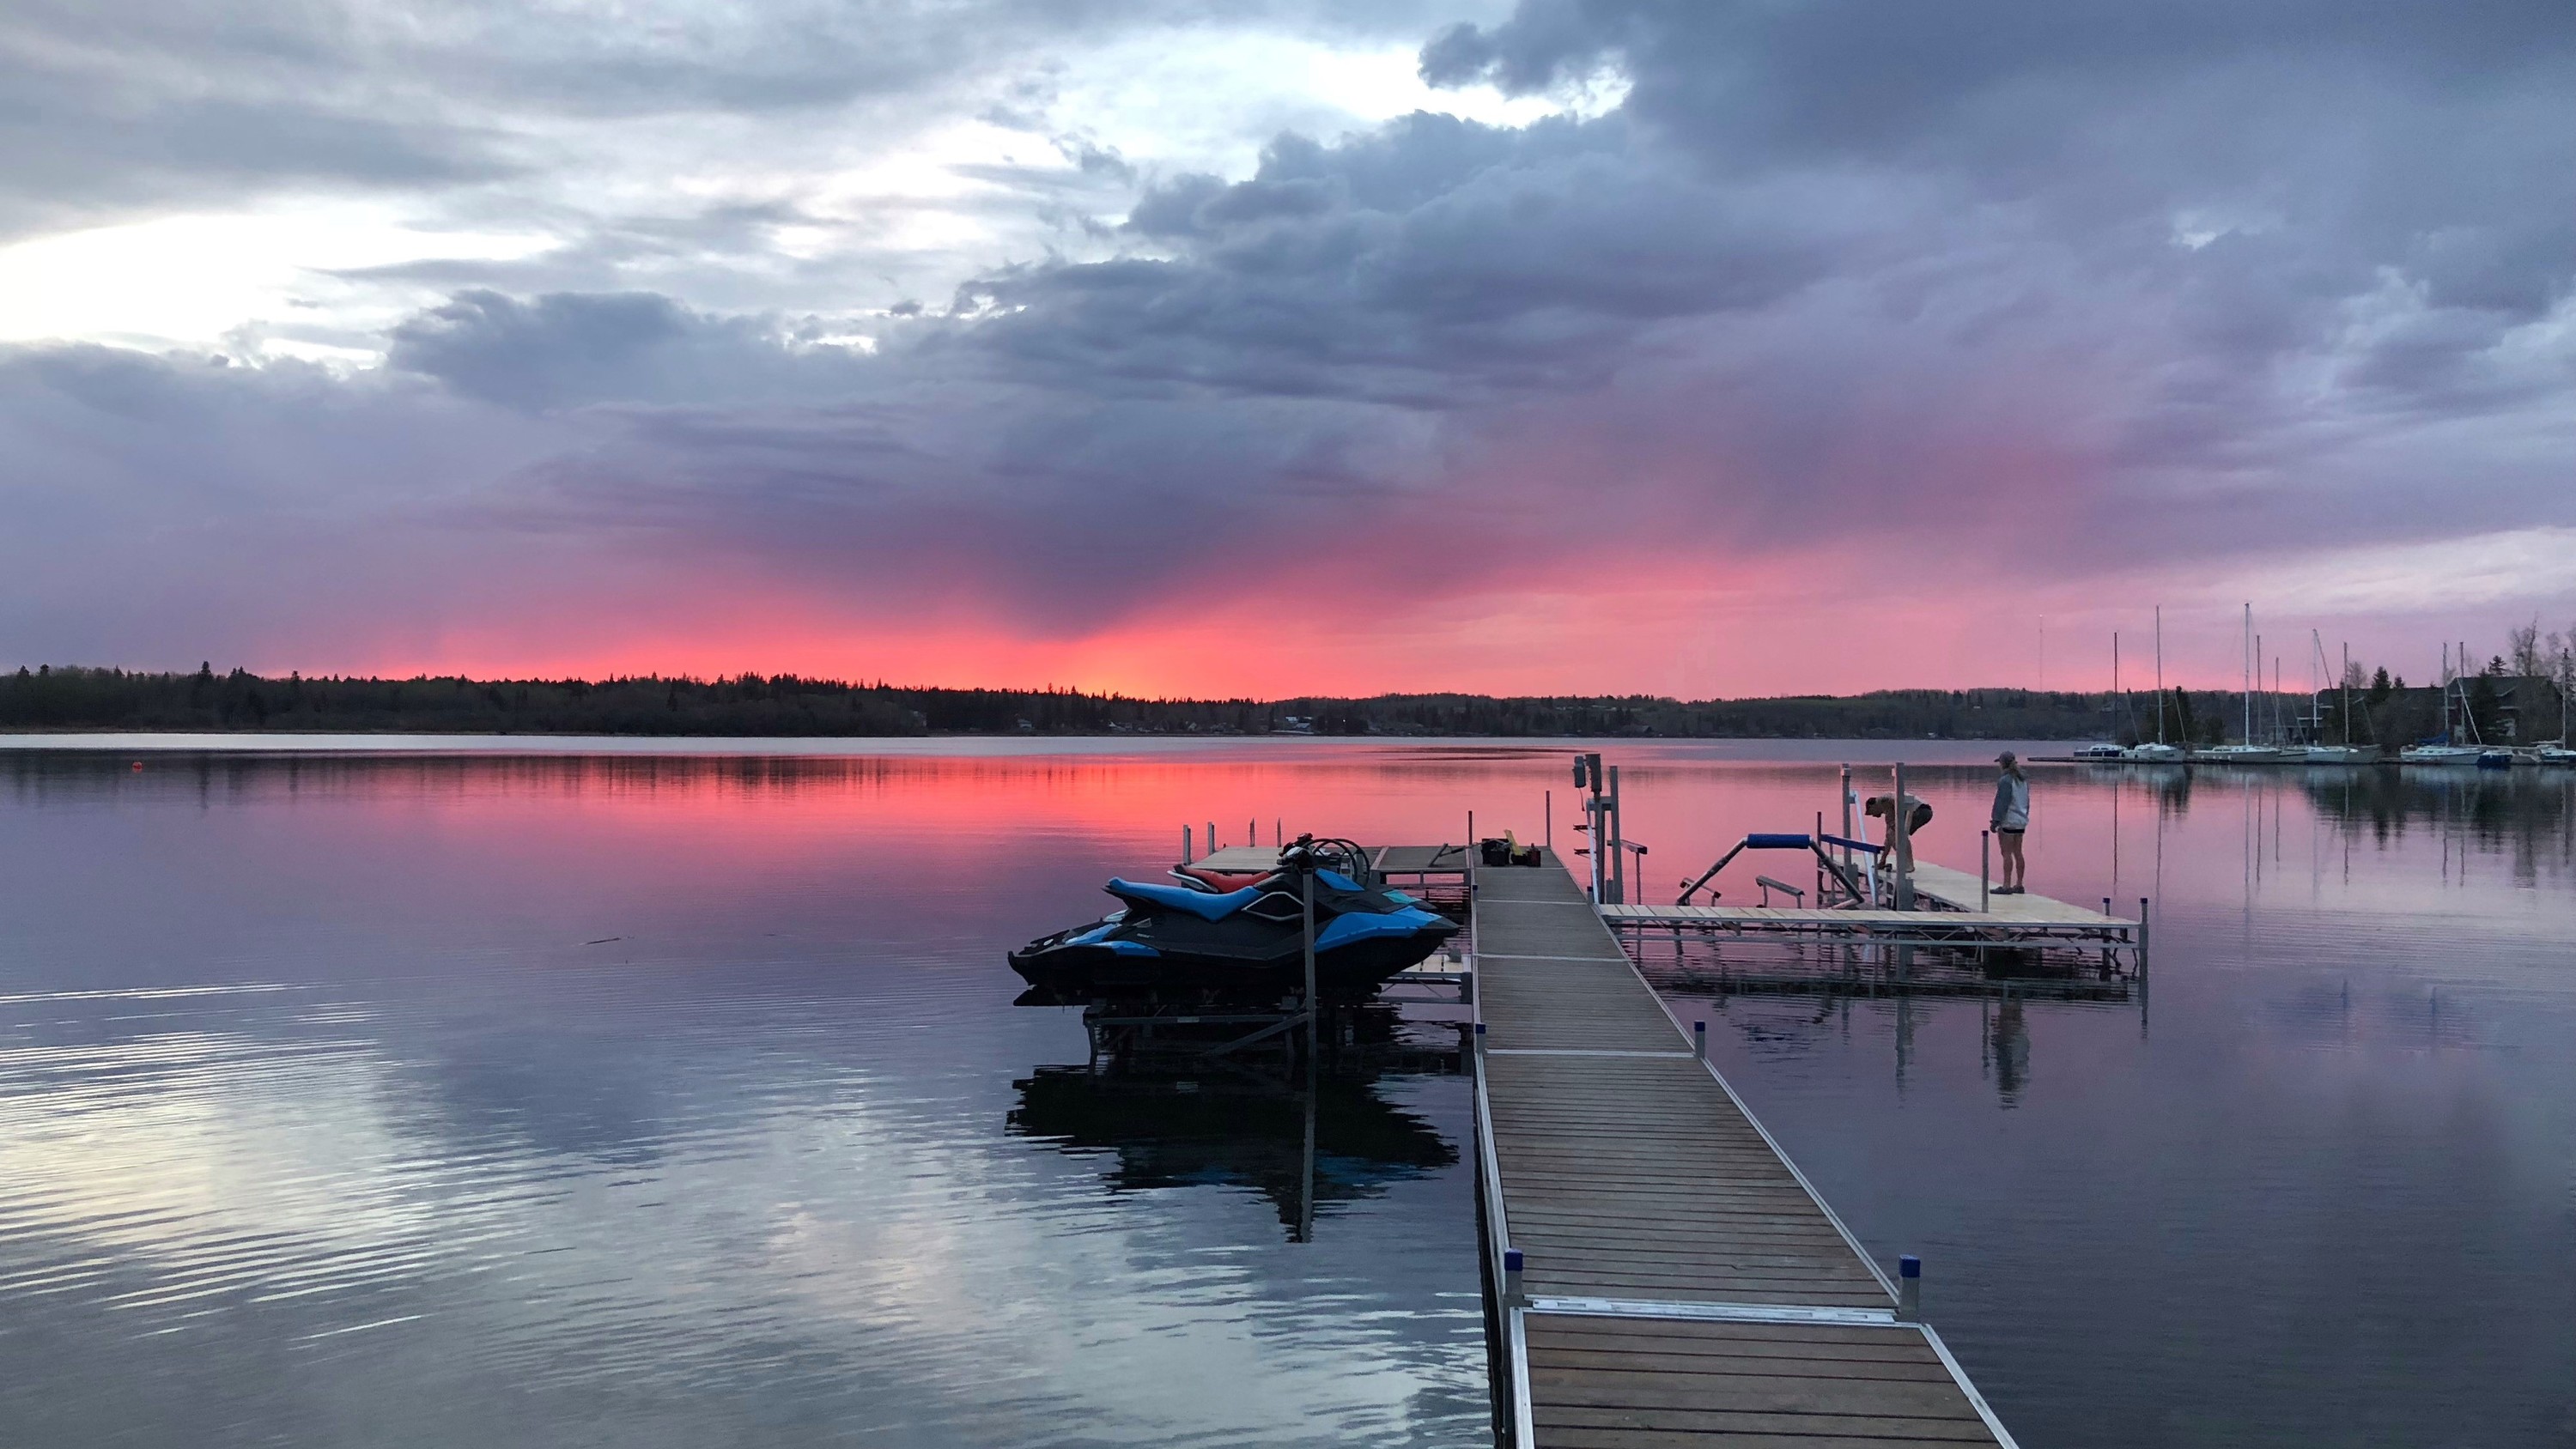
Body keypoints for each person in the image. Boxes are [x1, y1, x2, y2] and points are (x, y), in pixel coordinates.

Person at [1990, 750, 2031, 894]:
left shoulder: (2005, 781)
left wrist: (1995, 821)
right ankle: (2019, 884)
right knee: (2018, 852)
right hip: (2021, 821)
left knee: (2006, 853)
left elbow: (2002, 803)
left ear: (2002, 763)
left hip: (2009, 821)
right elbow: (2027, 801)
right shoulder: (2023, 780)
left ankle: (2006, 885)